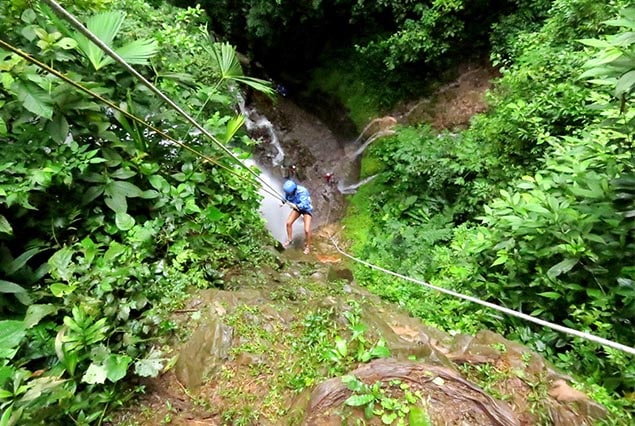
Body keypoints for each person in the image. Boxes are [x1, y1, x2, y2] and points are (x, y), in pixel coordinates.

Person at [281, 180, 313, 254]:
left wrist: (296, 206)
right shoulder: (289, 192)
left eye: (290, 193)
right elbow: (286, 197)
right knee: (288, 223)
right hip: (296, 208)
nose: (289, 194)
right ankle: (289, 240)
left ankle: (308, 246)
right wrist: (282, 202)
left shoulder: (302, 191)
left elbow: (304, 204)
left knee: (307, 230)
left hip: (306, 209)